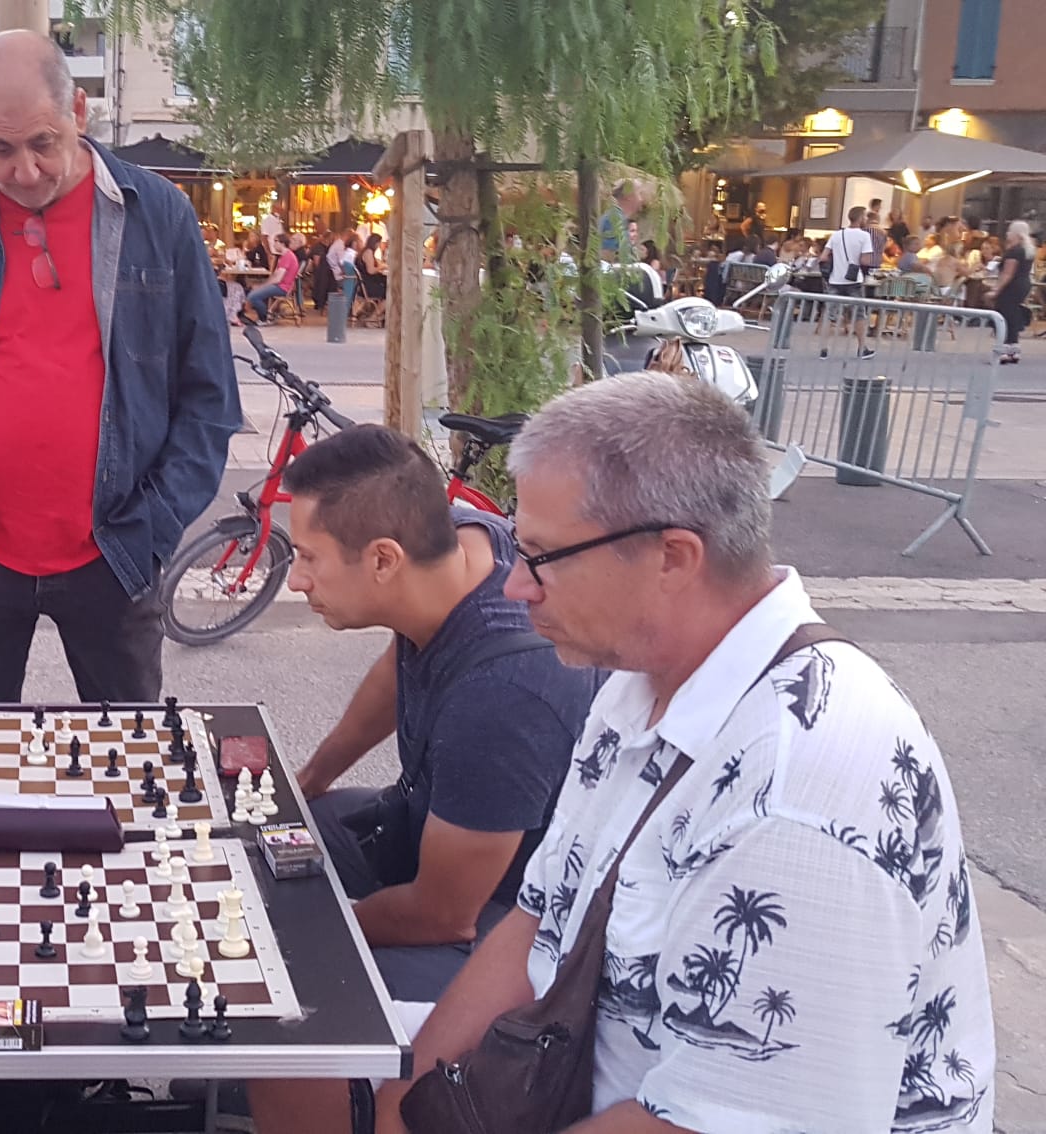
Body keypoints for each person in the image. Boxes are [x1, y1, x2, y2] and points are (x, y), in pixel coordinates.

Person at [267, 371, 997, 1134]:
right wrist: (404, 1107)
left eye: (542, 556)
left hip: (632, 1100)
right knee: (289, 1049)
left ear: (672, 558)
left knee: (299, 1028)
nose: (514, 587)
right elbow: (537, 922)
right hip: (568, 1060)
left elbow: (716, 1123)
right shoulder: (637, 680)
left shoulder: (800, 793)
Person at [0, 29, 240, 704]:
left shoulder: (158, 216)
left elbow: (209, 397)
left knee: (128, 750)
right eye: (0, 149)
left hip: (116, 550)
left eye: (43, 142)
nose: (24, 170)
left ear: (78, 111)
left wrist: (153, 528)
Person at [274, 425, 597, 1004]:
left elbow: (444, 915)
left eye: (309, 557)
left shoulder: (502, 698)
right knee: (277, 837)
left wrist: (307, 931)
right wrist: (313, 778)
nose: (296, 579)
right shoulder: (465, 537)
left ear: (383, 559)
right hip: (441, 827)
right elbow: (396, 665)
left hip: (516, 917)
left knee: (313, 976)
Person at [821, 205, 877, 359]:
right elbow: (865, 261)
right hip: (853, 280)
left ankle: (823, 349)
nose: (866, 219)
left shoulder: (837, 235)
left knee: (830, 314)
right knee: (859, 315)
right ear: (861, 218)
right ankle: (862, 348)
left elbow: (823, 257)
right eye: (865, 217)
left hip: (835, 279)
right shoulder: (864, 236)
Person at [986, 219, 1035, 362]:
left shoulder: (1013, 252)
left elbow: (1007, 273)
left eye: (1009, 231)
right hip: (1023, 284)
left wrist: (995, 290)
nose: (1007, 234)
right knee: (1013, 314)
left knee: (1004, 314)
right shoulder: (1027, 250)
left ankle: (1003, 348)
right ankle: (1013, 348)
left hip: (1011, 286)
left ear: (1016, 234)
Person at [245, 234, 296, 324]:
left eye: (276, 241)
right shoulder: (285, 256)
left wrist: (261, 286)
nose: (273, 244)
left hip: (282, 287)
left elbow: (277, 278)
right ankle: (265, 316)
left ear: (283, 243)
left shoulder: (287, 257)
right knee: (251, 291)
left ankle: (264, 318)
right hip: (280, 285)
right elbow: (275, 275)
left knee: (252, 296)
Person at [598, 181, 643, 261]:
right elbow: (606, 256)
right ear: (628, 195)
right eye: (639, 194)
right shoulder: (613, 220)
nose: (641, 199)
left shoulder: (618, 218)